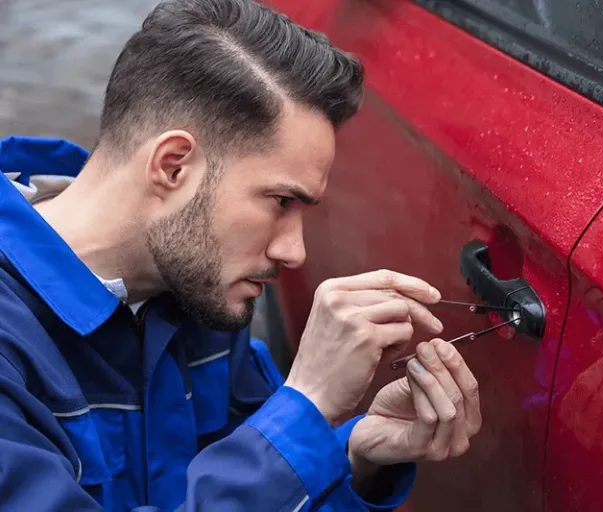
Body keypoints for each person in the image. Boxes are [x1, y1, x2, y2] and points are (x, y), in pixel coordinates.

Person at [0, 0, 482, 511]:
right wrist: (308, 403)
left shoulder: (196, 288)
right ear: (173, 166)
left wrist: (353, 461)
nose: (294, 252)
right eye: (281, 201)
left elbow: (262, 479)